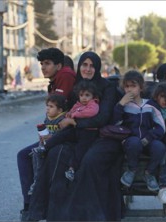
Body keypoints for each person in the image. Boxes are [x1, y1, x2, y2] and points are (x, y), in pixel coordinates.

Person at [28, 51, 119, 221]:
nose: (88, 69)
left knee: (88, 162)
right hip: (75, 136)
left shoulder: (107, 87)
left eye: (92, 65)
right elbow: (64, 114)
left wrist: (75, 123)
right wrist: (51, 131)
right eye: (84, 64)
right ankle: (52, 214)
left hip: (102, 137)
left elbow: (103, 118)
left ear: (97, 67)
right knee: (56, 154)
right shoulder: (76, 87)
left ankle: (90, 215)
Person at [17, 47, 75, 221]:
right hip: (56, 134)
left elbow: (60, 109)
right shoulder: (56, 79)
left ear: (59, 65)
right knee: (25, 155)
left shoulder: (65, 76)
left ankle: (31, 206)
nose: (43, 67)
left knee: (26, 156)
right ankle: (31, 204)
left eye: (47, 64)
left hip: (66, 136)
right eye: (41, 64)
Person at [114, 71, 166, 192]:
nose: (129, 89)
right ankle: (132, 170)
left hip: (148, 139)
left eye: (133, 86)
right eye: (127, 86)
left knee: (159, 147)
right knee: (134, 143)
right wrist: (121, 104)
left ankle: (149, 173)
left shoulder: (151, 105)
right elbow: (115, 123)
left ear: (141, 87)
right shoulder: (123, 105)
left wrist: (149, 137)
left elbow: (161, 126)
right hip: (131, 141)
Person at [28, 94, 66, 195]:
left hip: (57, 145)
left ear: (59, 110)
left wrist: (51, 137)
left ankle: (38, 182)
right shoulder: (47, 119)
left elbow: (63, 135)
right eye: (47, 106)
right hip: (45, 145)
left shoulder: (62, 119)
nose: (48, 109)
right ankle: (36, 181)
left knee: (40, 158)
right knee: (35, 156)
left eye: (51, 106)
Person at [64, 79, 100, 181]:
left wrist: (75, 114)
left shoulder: (93, 104)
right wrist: (69, 114)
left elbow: (90, 112)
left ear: (93, 96)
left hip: (89, 132)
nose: (84, 98)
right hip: (77, 129)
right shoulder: (78, 104)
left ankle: (72, 169)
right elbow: (72, 110)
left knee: (79, 150)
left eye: (87, 95)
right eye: (81, 95)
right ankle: (45, 146)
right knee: (63, 136)